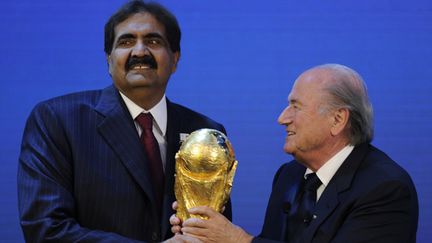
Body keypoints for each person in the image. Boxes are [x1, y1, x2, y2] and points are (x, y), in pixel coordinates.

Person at [17, 1, 231, 242]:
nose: (140, 51)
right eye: (126, 42)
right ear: (109, 59)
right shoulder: (57, 120)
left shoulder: (205, 132)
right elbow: (45, 229)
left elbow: (215, 229)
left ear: (175, 59)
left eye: (153, 41)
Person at [172, 64, 419, 243]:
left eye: (295, 106)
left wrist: (238, 240)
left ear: (337, 119)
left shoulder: (385, 188)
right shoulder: (289, 176)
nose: (282, 118)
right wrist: (204, 234)